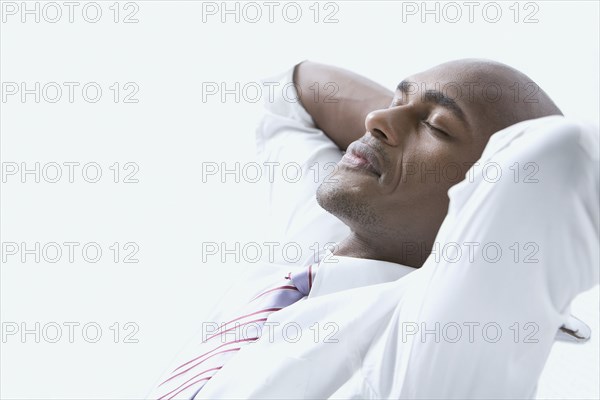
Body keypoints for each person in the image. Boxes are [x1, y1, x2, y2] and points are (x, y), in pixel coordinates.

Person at [148, 59, 599, 399]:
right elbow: (291, 95)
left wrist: (515, 271)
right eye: (393, 103)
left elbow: (562, 155)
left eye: (437, 128)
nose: (374, 121)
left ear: (483, 199)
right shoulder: (312, 246)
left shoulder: (436, 336)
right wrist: (407, 126)